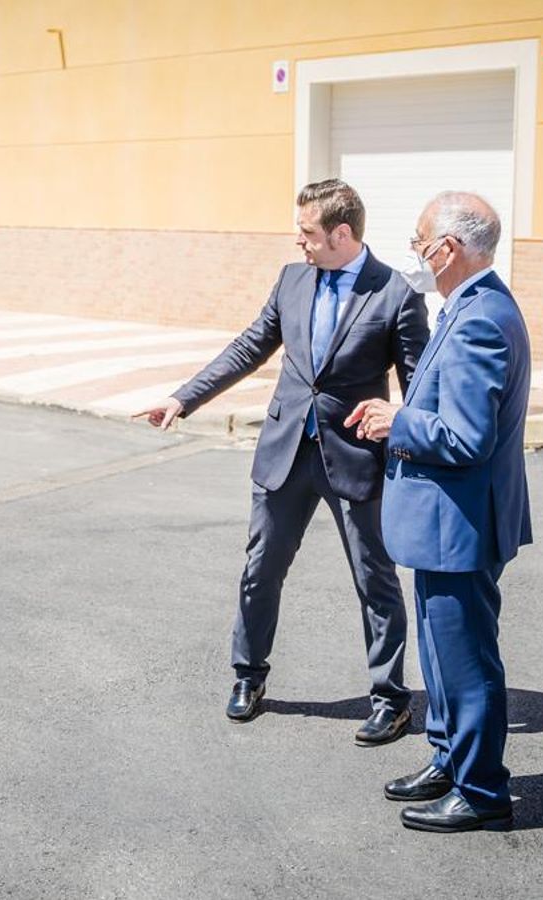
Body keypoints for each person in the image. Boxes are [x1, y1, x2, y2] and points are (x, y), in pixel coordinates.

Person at [134, 179, 429, 745]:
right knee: (260, 569)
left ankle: (390, 699)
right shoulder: (292, 279)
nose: (299, 240)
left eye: (308, 232)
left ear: (341, 234)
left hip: (355, 457)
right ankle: (249, 675)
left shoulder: (395, 293)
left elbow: (417, 384)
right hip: (285, 449)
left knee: (375, 580)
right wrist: (182, 398)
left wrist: (407, 432)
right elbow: (250, 346)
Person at [345, 191, 531, 833]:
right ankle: (449, 759)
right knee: (442, 655)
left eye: (420, 242)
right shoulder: (470, 304)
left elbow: (467, 437)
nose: (415, 253)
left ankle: (481, 790)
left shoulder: (481, 319)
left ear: (449, 249)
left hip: (461, 525)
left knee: (466, 660)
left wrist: (397, 421)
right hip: (445, 525)